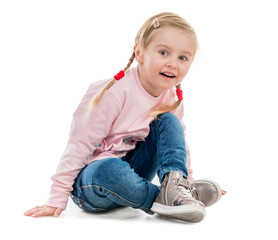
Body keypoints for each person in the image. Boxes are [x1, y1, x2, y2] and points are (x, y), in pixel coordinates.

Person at [24, 12, 225, 223]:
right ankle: (162, 199)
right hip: (94, 182)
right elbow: (79, 145)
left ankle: (179, 190)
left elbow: (177, 145)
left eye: (182, 58)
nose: (173, 63)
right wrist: (57, 196)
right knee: (108, 167)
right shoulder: (113, 93)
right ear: (139, 52)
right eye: (163, 52)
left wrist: (188, 180)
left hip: (133, 177)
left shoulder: (171, 98)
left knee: (170, 122)